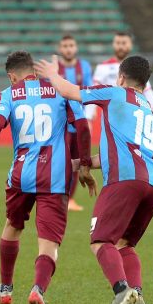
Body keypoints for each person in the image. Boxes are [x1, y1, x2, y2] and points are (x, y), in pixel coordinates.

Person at [35, 54, 153, 304]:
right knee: (124, 244)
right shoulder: (150, 111)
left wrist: (53, 74)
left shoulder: (115, 93)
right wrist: (78, 164)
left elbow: (70, 92)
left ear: (121, 77)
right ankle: (137, 298)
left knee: (100, 241)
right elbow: (121, 151)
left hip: (125, 179)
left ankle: (122, 291)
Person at [0, 50, 91, 304]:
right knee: (49, 243)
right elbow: (83, 126)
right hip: (55, 176)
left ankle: (5, 288)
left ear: (12, 76)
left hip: (21, 175)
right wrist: (83, 164)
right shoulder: (60, 90)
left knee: (13, 225)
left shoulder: (9, 94)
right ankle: (37, 290)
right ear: (34, 71)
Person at [56, 34, 93, 212]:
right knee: (58, 162)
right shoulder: (54, 69)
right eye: (65, 46)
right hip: (59, 125)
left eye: (71, 45)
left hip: (78, 124)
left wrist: (88, 119)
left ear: (76, 48)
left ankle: (70, 199)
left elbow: (89, 93)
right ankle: (55, 196)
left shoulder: (84, 67)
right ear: (60, 48)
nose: (68, 49)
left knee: (76, 163)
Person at [93, 32, 153, 118]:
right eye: (118, 43)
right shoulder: (102, 67)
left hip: (132, 114)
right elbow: (94, 90)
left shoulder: (137, 67)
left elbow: (147, 91)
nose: (120, 47)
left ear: (131, 45)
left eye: (124, 43)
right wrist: (90, 113)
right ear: (113, 44)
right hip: (109, 115)